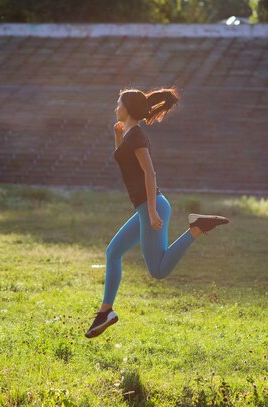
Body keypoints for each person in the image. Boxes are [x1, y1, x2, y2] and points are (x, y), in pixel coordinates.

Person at [85, 87, 229, 338]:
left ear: (127, 108)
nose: (115, 108)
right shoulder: (129, 134)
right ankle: (105, 311)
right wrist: (116, 135)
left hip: (153, 205)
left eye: (118, 104)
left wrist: (151, 211)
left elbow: (149, 173)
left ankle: (196, 228)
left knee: (158, 270)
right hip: (145, 207)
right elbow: (122, 159)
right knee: (113, 252)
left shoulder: (138, 135)